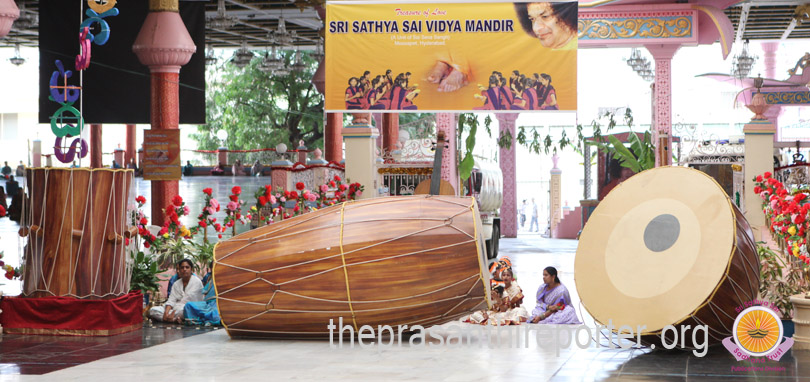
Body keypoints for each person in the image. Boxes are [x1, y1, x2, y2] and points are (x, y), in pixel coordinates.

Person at [148, 259, 203, 323]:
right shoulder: (176, 283)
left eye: (187, 267)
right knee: (153, 310)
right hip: (175, 309)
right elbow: (171, 299)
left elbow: (186, 301)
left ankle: (168, 319)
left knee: (184, 311)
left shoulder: (197, 282)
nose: (184, 269)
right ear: (179, 270)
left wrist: (173, 312)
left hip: (189, 309)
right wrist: (166, 312)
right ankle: (172, 319)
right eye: (182, 268)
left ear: (191, 270)